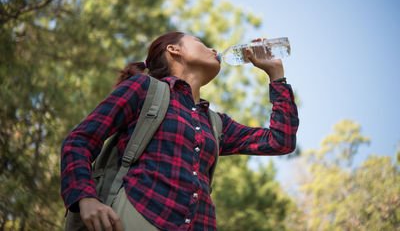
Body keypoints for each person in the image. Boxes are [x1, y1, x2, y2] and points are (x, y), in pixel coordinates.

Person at [60, 31, 299, 231]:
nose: (213, 49)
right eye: (201, 43)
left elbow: (280, 141)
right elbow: (79, 141)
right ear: (175, 50)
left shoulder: (216, 123)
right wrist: (85, 198)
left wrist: (276, 75)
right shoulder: (143, 89)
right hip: (136, 217)